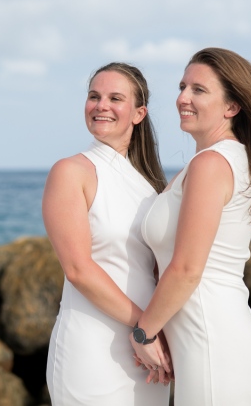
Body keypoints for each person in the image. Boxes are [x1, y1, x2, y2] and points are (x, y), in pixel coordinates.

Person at [131, 48, 251, 405]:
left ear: (231, 107)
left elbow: (187, 270)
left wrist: (144, 333)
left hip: (213, 345)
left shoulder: (212, 164)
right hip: (213, 341)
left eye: (198, 90)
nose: (182, 98)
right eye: (182, 87)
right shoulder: (220, 160)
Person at [44, 62, 172, 405]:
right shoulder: (71, 172)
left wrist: (157, 332)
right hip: (93, 348)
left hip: (148, 352)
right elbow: (78, 270)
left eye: (115, 98)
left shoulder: (150, 188)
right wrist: (145, 330)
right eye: (94, 96)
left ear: (139, 113)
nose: (101, 106)